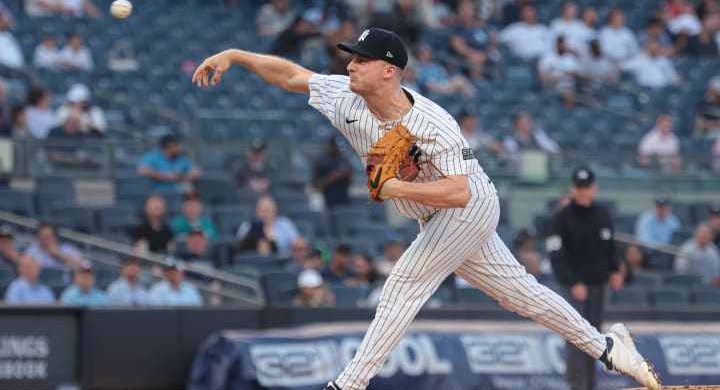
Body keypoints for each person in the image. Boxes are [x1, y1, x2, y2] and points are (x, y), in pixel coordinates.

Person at [191, 27, 662, 390]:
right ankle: (606, 347)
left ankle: (349, 383)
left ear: (389, 70)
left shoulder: (432, 122)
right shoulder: (344, 98)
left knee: (403, 283)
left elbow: (458, 192)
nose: (350, 66)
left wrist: (394, 186)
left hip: (470, 204)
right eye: (351, 58)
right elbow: (292, 76)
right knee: (522, 295)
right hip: (435, 214)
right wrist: (236, 55)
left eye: (361, 60)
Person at [546, 167, 624, 390]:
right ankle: (575, 386)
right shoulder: (561, 218)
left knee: (596, 341)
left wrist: (615, 270)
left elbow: (609, 247)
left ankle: (590, 386)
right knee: (575, 338)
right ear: (573, 188)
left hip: (597, 286)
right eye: (579, 187)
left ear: (594, 188)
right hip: (573, 288)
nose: (582, 192)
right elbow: (556, 255)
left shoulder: (602, 214)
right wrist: (572, 282)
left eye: (586, 187)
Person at [137, 134, 201, 193]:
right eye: (177, 146)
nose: (179, 149)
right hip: (159, 192)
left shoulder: (181, 158)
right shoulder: (153, 156)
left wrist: (181, 177)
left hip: (179, 190)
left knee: (191, 191)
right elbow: (142, 170)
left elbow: (196, 171)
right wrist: (165, 176)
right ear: (169, 147)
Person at [313, 135, 352, 208]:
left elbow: (350, 183)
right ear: (330, 146)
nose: (338, 150)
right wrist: (332, 177)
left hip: (343, 200)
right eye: (336, 147)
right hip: (327, 202)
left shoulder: (344, 160)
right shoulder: (321, 161)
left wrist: (347, 174)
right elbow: (316, 186)